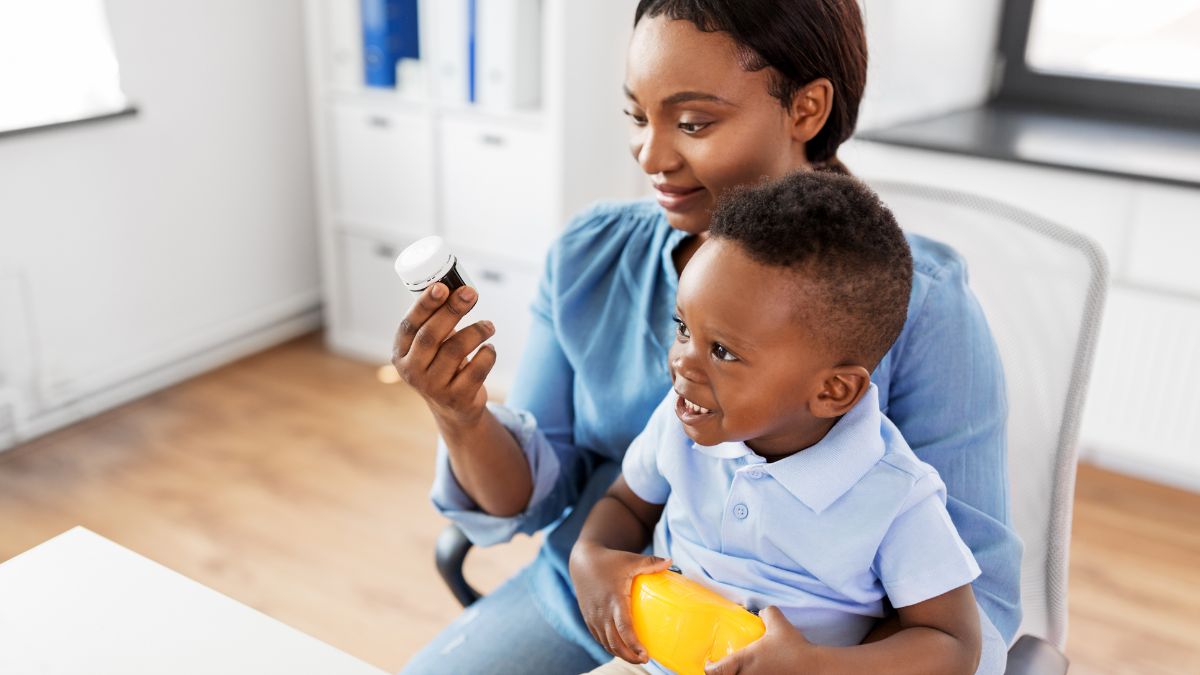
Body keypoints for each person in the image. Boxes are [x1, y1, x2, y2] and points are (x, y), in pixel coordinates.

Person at [396, 1, 1021, 672]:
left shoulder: (920, 305)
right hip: (604, 604)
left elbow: (971, 614)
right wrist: (461, 414)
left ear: (806, 109)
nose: (650, 154)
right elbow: (537, 499)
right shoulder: (590, 255)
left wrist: (814, 663)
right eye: (638, 115)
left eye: (693, 122)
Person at [573, 171, 981, 675]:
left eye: (722, 351)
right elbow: (624, 505)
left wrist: (816, 667)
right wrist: (590, 558)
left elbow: (952, 643)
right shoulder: (681, 421)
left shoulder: (895, 495)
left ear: (833, 391)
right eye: (684, 328)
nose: (683, 362)